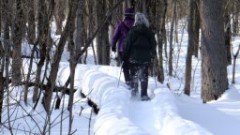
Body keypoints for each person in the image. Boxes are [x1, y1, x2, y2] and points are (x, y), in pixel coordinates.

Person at [123, 12, 156, 101]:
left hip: (133, 58)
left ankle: (134, 92)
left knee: (134, 75)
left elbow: (127, 45)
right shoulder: (149, 32)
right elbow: (153, 44)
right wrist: (153, 54)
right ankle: (144, 95)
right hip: (145, 58)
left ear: (136, 21)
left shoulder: (132, 32)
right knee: (144, 76)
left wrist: (125, 56)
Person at [112, 8, 135, 86]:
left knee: (125, 66)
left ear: (125, 15)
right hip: (133, 49)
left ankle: (127, 82)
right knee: (132, 65)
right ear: (132, 15)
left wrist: (113, 45)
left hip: (123, 49)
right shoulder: (136, 25)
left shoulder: (120, 25)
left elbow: (115, 36)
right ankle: (133, 82)